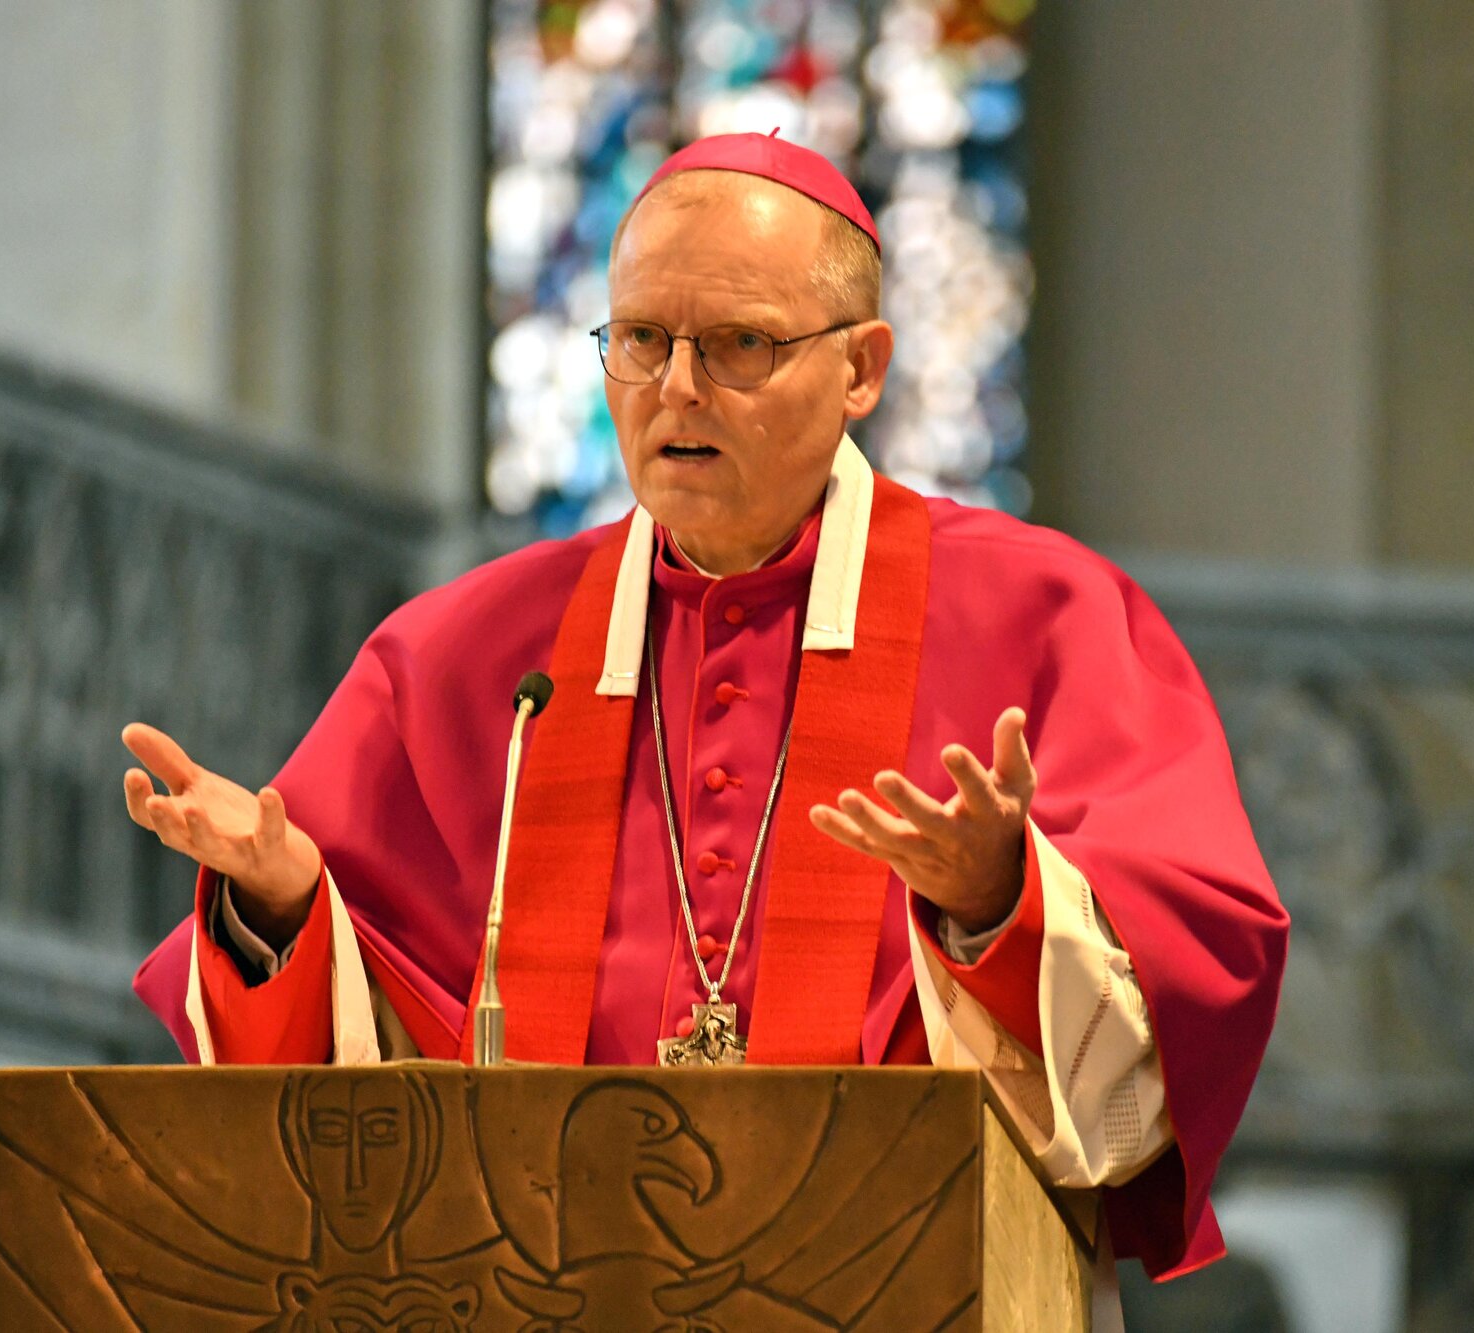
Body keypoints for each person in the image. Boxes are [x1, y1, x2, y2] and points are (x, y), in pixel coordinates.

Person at [127, 131, 1288, 1287]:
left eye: (739, 344)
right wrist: (276, 909)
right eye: (639, 340)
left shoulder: (1046, 615)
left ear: (862, 369)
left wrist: (1000, 908)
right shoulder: (464, 656)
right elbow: (353, 1120)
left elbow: (1194, 974)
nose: (675, 388)